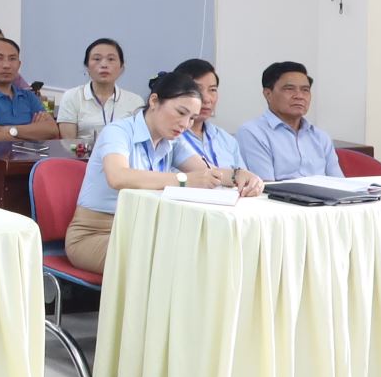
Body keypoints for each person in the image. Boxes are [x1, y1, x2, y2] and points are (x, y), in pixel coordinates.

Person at [66, 72, 264, 273]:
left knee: (203, 249)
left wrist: (238, 175)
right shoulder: (118, 131)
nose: (185, 124)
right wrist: (185, 180)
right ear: (154, 101)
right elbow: (118, 177)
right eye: (180, 112)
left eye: (192, 118)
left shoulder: (172, 141)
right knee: (170, 258)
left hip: (143, 232)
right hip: (95, 234)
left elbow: (207, 173)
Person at [237, 61, 342, 180]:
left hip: (324, 192)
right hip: (277, 193)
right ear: (268, 94)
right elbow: (265, 185)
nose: (299, 96)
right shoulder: (252, 133)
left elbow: (339, 183)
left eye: (305, 90)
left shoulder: (321, 137)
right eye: (289, 89)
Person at [0, 37, 58, 142]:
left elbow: (52, 130)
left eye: (12, 59)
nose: (7, 65)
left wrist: (9, 129)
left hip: (33, 153)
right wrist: (33, 133)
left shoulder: (29, 96)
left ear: (19, 65)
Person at [56, 38, 143, 143]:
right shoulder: (72, 97)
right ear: (87, 67)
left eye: (111, 59)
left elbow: (139, 142)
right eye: (97, 59)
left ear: (121, 68)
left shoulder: (135, 101)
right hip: (83, 153)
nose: (104, 65)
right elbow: (69, 144)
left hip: (123, 153)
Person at [171, 58, 250, 171]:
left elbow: (243, 178)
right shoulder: (169, 137)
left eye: (212, 90)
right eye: (197, 89)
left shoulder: (227, 140)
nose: (207, 99)